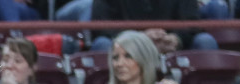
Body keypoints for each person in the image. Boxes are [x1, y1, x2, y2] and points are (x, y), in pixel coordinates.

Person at [89, 0, 218, 53]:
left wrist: (177, 38)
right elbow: (101, 25)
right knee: (102, 44)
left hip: (170, 45)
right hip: (126, 47)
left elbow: (192, 22)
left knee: (205, 41)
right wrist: (138, 39)